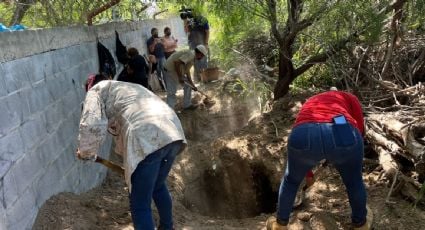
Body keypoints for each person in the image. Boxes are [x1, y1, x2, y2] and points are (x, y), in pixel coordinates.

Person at [76, 79, 187, 230]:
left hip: (146, 136)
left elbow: (92, 122)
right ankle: (167, 227)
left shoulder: (95, 90)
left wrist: (86, 152)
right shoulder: (128, 88)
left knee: (140, 203)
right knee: (158, 186)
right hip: (172, 132)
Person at [266, 89, 373, 230]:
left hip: (305, 130)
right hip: (341, 126)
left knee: (291, 181)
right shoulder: (349, 97)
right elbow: (359, 128)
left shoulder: (311, 100)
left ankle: (280, 224)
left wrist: (308, 175)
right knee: (354, 181)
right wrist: (345, 153)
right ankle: (360, 225)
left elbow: (304, 140)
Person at [163, 44, 208, 110]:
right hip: (170, 70)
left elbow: (187, 71)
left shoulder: (193, 57)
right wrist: (180, 77)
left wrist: (192, 85)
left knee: (188, 86)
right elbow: (177, 63)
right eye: (202, 56)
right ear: (200, 54)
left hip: (175, 70)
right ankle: (170, 110)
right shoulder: (191, 54)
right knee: (172, 91)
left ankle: (187, 105)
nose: (202, 58)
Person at [183, 10, 209, 82]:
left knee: (203, 60)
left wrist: (206, 43)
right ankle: (199, 78)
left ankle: (205, 77)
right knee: (195, 61)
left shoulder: (203, 19)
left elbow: (207, 31)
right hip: (192, 44)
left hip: (202, 43)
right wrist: (185, 21)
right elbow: (186, 31)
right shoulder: (189, 21)